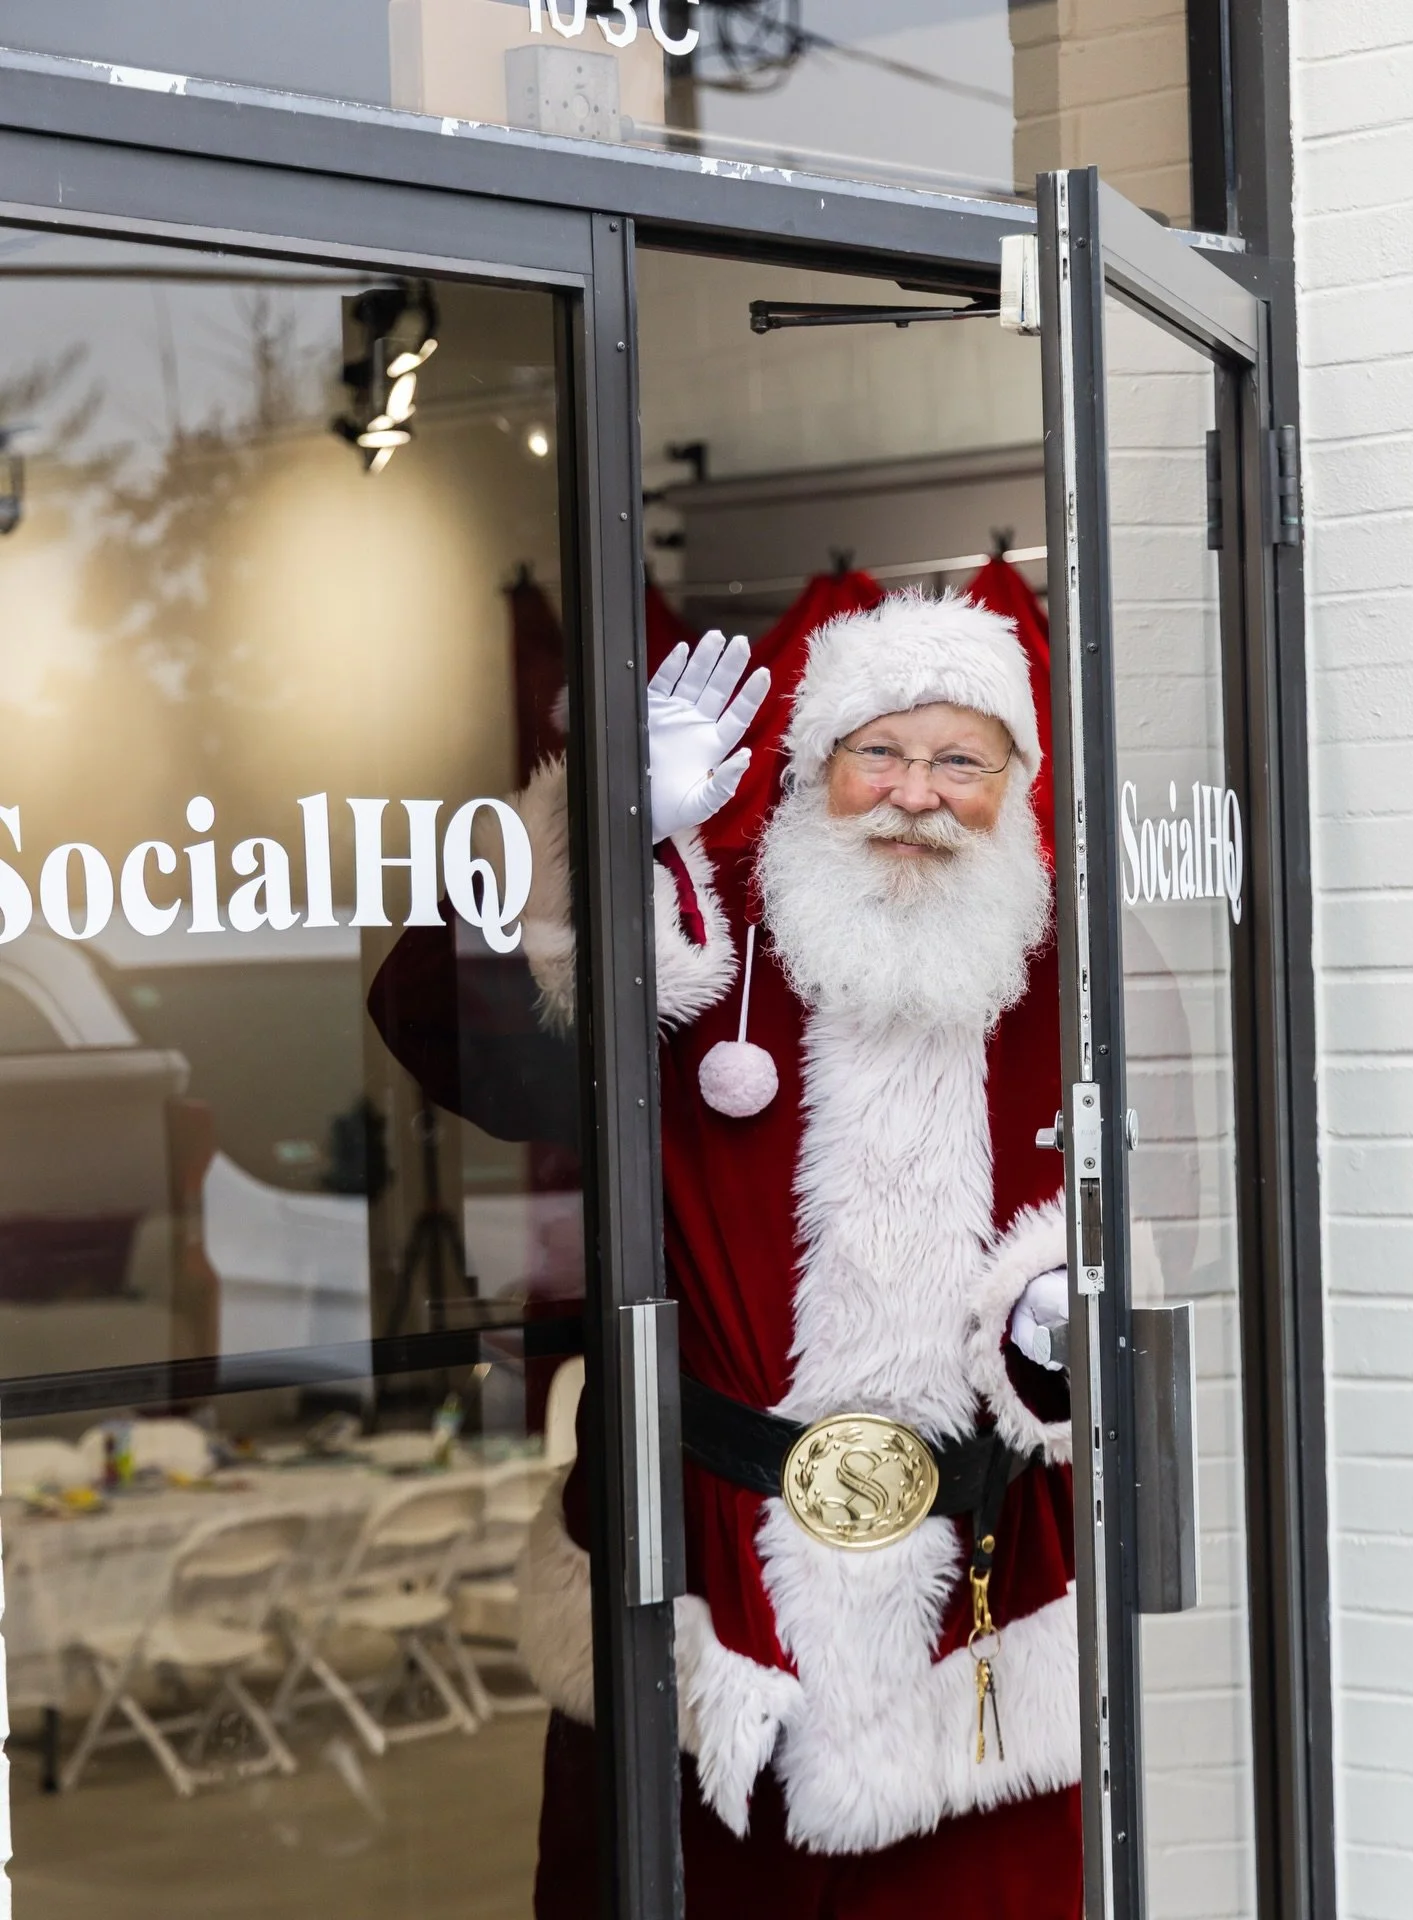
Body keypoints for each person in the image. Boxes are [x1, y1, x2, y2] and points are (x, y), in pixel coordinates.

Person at [373, 591, 1080, 1917]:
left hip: (980, 1613)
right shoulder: (691, 926)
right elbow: (440, 1027)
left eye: (960, 760)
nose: (916, 795)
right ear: (816, 761)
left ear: (1016, 778)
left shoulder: (1059, 956)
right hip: (704, 1589)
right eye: (880, 751)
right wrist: (604, 833)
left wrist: (1060, 1308)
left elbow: (1166, 1200)